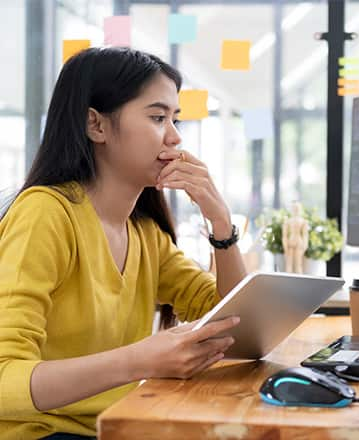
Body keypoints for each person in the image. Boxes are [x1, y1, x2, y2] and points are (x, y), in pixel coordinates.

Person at [0, 47, 246, 440]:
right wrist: (138, 361)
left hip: (117, 427)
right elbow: (3, 381)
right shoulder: (45, 214)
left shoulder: (144, 232)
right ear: (95, 125)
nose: (175, 136)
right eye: (157, 117)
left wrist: (221, 226)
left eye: (174, 118)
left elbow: (231, 322)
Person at [282, 201, 309, 273]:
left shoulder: (303, 221)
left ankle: (299, 279)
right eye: (294, 208)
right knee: (289, 264)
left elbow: (305, 235)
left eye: (297, 208)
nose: (296, 209)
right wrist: (285, 246)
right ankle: (288, 279)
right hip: (291, 242)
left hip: (299, 243)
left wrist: (305, 245)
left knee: (298, 264)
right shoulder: (288, 221)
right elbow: (284, 235)